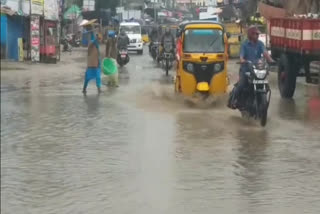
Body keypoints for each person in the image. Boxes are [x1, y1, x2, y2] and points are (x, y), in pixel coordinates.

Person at [231, 25, 274, 107]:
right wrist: (242, 60)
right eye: (255, 34)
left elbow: (265, 53)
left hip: (257, 70)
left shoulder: (260, 44)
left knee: (266, 85)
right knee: (241, 85)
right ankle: (234, 100)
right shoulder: (244, 45)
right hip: (246, 70)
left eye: (258, 34)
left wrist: (271, 60)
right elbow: (241, 56)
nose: (257, 36)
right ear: (250, 35)